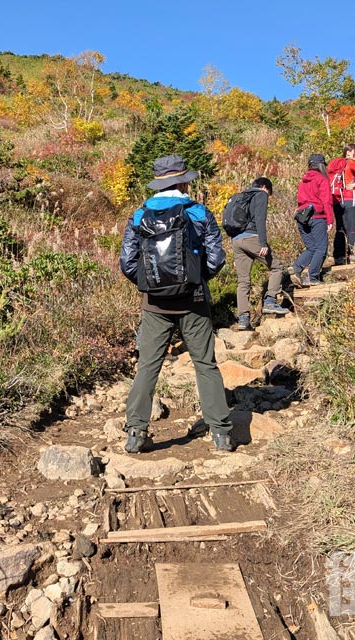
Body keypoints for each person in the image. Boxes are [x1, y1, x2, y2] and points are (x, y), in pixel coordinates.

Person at [119, 154, 234, 453]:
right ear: (183, 180)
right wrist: (196, 282)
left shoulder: (139, 215)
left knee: (147, 367)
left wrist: (150, 286)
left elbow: (127, 262)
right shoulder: (198, 212)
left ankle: (136, 431)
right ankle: (221, 433)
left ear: (158, 183)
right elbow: (216, 258)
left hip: (154, 305)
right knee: (205, 365)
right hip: (193, 303)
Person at [231, 177, 290, 331]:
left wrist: (235, 252)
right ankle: (270, 301)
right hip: (252, 237)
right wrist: (263, 242)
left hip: (237, 240)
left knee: (243, 281)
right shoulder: (261, 194)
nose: (268, 196)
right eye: (269, 192)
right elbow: (260, 219)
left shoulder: (242, 196)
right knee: (277, 267)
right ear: (265, 187)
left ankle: (243, 319)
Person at [291, 154, 335, 287]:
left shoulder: (303, 180)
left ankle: (296, 268)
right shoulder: (322, 179)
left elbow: (300, 201)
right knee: (321, 248)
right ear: (321, 165)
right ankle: (313, 276)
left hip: (302, 217)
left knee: (311, 247)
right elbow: (327, 201)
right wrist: (330, 220)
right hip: (317, 216)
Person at [329, 144, 355, 265]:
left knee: (340, 228)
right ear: (348, 152)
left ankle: (339, 256)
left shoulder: (338, 164)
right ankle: (353, 255)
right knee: (352, 228)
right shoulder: (351, 163)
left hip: (337, 199)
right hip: (351, 198)